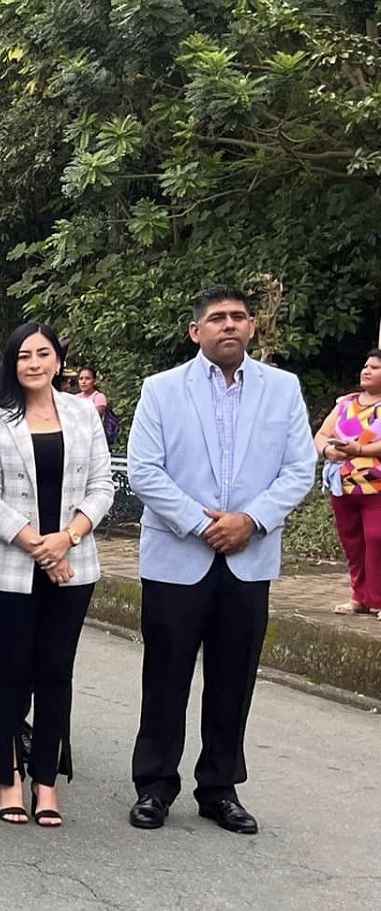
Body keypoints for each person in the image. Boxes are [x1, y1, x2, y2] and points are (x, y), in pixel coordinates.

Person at [125, 286, 316, 835]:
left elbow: (299, 468)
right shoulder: (162, 389)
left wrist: (250, 520)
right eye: (216, 318)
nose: (228, 325)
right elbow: (144, 469)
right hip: (177, 556)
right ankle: (155, 785)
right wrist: (202, 522)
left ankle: (219, 788)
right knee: (165, 677)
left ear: (252, 327)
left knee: (234, 678)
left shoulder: (282, 388)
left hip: (248, 558)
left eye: (238, 317)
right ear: (196, 331)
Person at [0, 322, 115, 828]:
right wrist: (38, 545)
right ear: (12, 363)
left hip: (72, 563)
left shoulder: (83, 412)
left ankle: (46, 781)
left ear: (58, 360)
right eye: (23, 355)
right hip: (8, 564)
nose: (33, 363)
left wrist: (66, 538)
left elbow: (102, 486)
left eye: (43, 353)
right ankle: (8, 777)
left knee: (56, 672)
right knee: (9, 671)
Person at [314, 350, 381, 615]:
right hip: (343, 487)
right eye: (366, 366)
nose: (367, 370)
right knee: (353, 543)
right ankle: (360, 597)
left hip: (376, 489)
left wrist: (360, 450)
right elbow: (321, 434)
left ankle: (379, 598)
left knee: (377, 539)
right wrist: (328, 451)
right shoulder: (345, 403)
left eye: (375, 367)